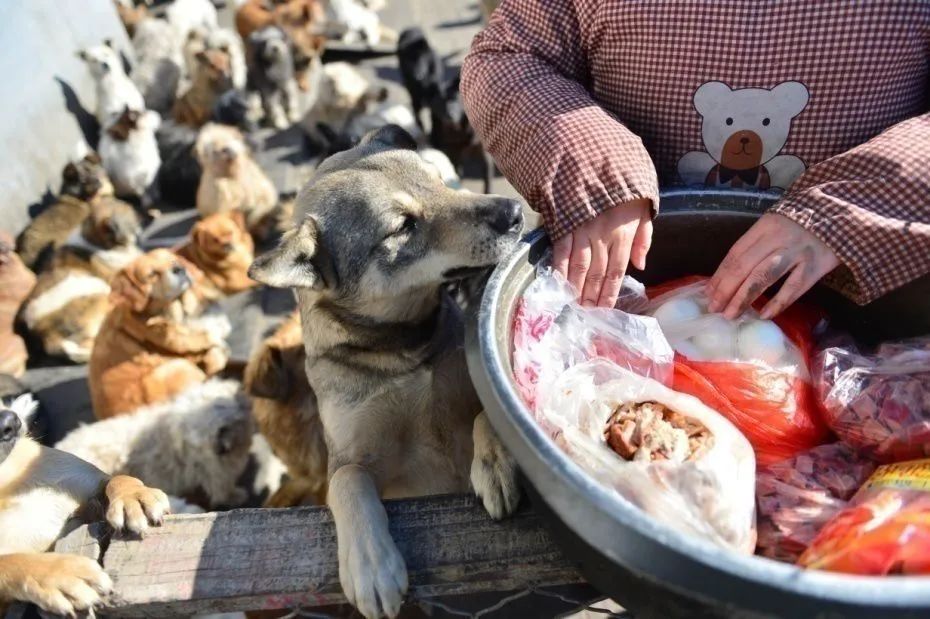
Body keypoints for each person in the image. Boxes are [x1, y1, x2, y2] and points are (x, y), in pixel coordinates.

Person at [461, 1, 929, 315]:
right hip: (623, 292)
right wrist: (598, 169)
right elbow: (509, 57)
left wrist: (852, 203)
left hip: (865, 307)